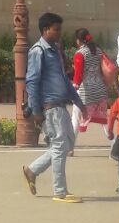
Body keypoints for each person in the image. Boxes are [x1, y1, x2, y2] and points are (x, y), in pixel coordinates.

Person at [22, 12, 87, 202]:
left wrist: (78, 102)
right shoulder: (38, 51)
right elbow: (32, 82)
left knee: (66, 144)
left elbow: (65, 81)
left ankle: (32, 170)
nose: (59, 33)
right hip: (50, 107)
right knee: (59, 146)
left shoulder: (55, 50)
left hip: (60, 106)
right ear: (45, 30)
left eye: (59, 29)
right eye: (55, 29)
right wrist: (36, 111)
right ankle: (60, 191)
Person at [71, 28, 110, 139]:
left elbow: (78, 75)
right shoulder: (98, 50)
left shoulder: (80, 53)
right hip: (100, 89)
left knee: (75, 118)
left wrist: (73, 89)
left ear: (78, 40)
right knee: (104, 121)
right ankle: (114, 144)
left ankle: (70, 145)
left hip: (86, 91)